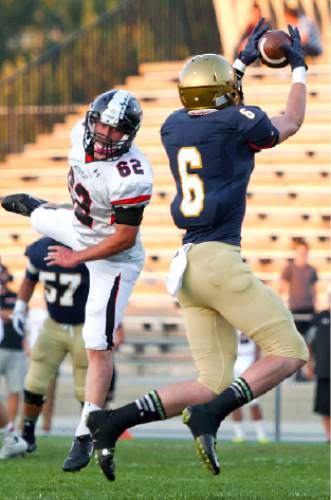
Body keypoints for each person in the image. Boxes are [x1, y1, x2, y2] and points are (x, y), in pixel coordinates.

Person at [83, 19, 309, 481]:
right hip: (220, 260)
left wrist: (242, 63)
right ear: (224, 92)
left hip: (187, 266)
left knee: (210, 383)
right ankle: (210, 418)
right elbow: (291, 121)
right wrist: (299, 69)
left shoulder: (173, 126)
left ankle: (111, 423)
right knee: (289, 352)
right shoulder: (237, 122)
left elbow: (218, 105)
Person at [1, 88, 153, 473]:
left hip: (113, 258)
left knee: (97, 346)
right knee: (36, 214)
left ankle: (86, 432)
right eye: (101, 124)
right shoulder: (76, 136)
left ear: (130, 134)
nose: (104, 135)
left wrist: (75, 257)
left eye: (115, 130)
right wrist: (62, 217)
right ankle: (39, 209)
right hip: (79, 226)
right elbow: (83, 195)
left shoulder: (131, 175)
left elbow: (123, 236)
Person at [11, 236, 90, 454]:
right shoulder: (40, 250)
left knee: (85, 388)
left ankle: (87, 436)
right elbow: (29, 279)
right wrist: (19, 307)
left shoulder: (88, 245)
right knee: (34, 381)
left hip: (85, 325)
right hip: (53, 323)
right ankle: (27, 435)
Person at [0, 264, 26, 430]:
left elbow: (18, 315)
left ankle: (9, 429)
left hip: (15, 348)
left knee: (15, 390)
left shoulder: (14, 296)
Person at [231, 333, 268, 443]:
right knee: (234, 402)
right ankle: (239, 434)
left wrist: (256, 365)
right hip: (234, 366)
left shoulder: (252, 327)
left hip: (249, 366)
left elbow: (258, 348)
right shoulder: (232, 327)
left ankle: (261, 435)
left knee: (254, 402)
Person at [279, 240, 318, 339]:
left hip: (309, 308)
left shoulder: (312, 269)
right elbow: (281, 287)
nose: (302, 254)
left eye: (304, 252)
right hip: (295, 308)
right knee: (296, 339)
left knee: (309, 339)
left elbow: (315, 290)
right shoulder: (289, 268)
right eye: (300, 252)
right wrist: (279, 305)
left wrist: (315, 306)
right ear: (296, 252)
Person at [305, 304, 330, 442]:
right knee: (324, 406)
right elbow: (308, 341)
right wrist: (308, 365)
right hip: (324, 370)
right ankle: (329, 436)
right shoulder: (319, 318)